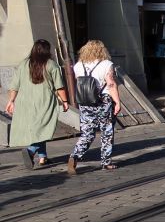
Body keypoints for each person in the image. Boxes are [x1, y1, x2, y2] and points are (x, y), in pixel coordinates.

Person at [5, 39, 70, 170]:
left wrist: (11, 101)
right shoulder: (51, 65)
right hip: (43, 101)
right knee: (43, 127)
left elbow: (14, 86)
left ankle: (42, 157)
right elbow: (59, 87)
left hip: (25, 102)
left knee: (39, 128)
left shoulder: (24, 64)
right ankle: (31, 150)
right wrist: (65, 102)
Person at [68, 40, 122, 172]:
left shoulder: (78, 65)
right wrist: (117, 102)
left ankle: (74, 156)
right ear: (102, 50)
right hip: (103, 100)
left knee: (87, 132)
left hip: (85, 102)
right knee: (107, 131)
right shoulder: (106, 64)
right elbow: (110, 84)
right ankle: (105, 161)